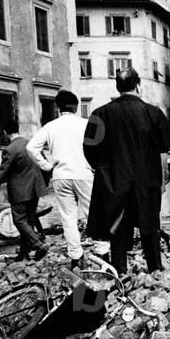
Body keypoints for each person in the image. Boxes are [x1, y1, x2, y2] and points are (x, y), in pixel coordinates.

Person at [84, 68, 170, 274]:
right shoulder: (154, 113)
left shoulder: (100, 114)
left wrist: (104, 169)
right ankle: (155, 268)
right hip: (147, 179)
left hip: (114, 180)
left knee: (118, 226)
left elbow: (89, 148)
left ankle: (120, 269)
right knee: (150, 223)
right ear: (138, 86)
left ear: (117, 87)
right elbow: (166, 144)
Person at [27, 90, 102, 269]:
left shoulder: (51, 126)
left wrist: (46, 165)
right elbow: (100, 148)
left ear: (58, 107)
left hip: (60, 175)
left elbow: (31, 148)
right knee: (94, 213)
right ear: (76, 107)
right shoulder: (86, 124)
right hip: (84, 173)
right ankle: (102, 251)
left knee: (68, 218)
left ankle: (76, 256)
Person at [0, 120, 48, 262]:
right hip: (35, 189)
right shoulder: (33, 144)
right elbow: (45, 165)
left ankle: (38, 245)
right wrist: (42, 184)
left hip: (20, 192)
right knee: (29, 222)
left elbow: (2, 174)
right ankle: (24, 254)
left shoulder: (10, 149)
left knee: (19, 220)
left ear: (5, 133)